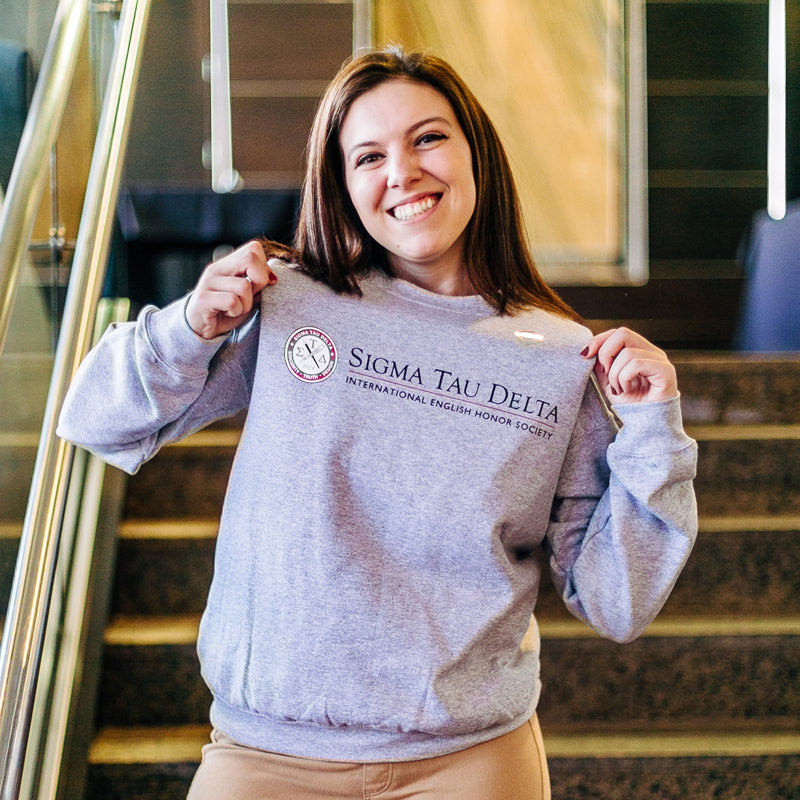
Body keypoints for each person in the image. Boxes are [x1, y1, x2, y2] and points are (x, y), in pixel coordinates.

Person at [58, 47, 697, 800]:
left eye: (428, 138)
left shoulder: (559, 358)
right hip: (266, 756)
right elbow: (95, 415)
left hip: (472, 764)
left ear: (476, 153)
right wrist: (190, 327)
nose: (403, 172)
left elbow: (617, 598)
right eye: (369, 155)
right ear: (343, 184)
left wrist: (654, 429)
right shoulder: (288, 300)